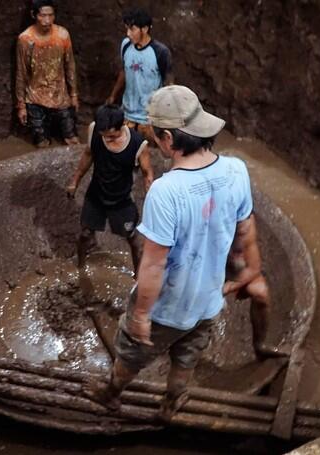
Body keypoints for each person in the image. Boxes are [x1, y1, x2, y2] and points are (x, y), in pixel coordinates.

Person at [84, 86, 275, 422]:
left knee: (130, 356)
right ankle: (172, 403)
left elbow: (154, 263)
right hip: (207, 301)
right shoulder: (236, 170)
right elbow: (246, 231)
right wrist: (251, 273)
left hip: (166, 308)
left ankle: (112, 394)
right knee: (186, 356)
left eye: (155, 135)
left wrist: (142, 315)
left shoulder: (166, 191)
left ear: (168, 140)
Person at [66, 104, 154, 272]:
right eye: (104, 136)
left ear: (123, 125)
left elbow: (147, 172)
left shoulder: (138, 144)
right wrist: (75, 181)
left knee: (132, 240)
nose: (107, 140)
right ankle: (81, 268)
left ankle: (138, 276)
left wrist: (150, 195)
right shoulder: (94, 130)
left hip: (122, 200)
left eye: (112, 137)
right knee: (85, 234)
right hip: (96, 195)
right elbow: (88, 154)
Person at [16, 0, 80, 147]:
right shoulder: (25, 39)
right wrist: (21, 106)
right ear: (34, 15)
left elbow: (70, 65)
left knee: (72, 140)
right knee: (42, 144)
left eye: (50, 15)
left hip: (60, 95)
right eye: (43, 15)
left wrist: (74, 95)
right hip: (35, 97)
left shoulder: (62, 35)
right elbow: (21, 73)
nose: (47, 20)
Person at [106, 7, 173, 145]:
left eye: (132, 29)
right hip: (127, 115)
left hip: (149, 118)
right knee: (126, 151)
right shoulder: (125, 45)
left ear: (145, 29)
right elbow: (124, 71)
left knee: (149, 154)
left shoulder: (160, 52)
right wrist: (113, 95)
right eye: (127, 29)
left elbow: (169, 84)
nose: (128, 34)